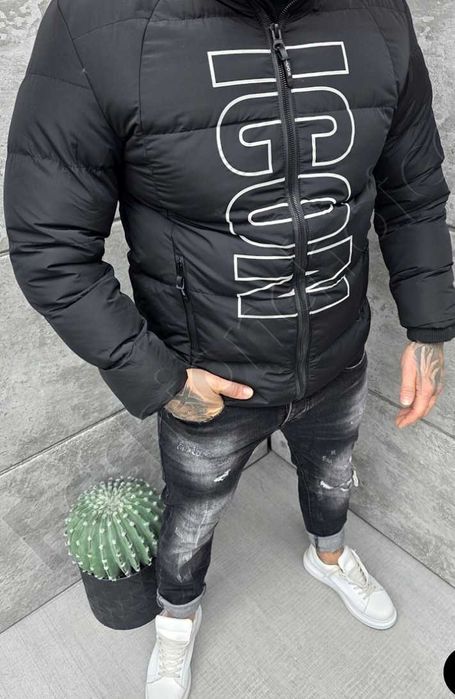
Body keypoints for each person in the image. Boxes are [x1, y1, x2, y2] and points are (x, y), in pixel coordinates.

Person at [4, 0, 454, 696]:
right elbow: (49, 243)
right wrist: (161, 379)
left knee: (333, 476)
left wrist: (428, 327)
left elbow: (413, 189)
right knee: (193, 514)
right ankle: (176, 615)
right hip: (209, 381)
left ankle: (328, 556)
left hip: (338, 355)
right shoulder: (96, 21)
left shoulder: (377, 11)